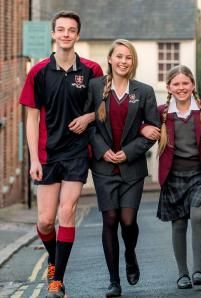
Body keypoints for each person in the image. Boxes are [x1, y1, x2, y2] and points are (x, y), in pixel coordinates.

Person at [19, 11, 103, 298]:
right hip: (47, 153)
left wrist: (89, 117)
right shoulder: (39, 72)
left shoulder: (92, 70)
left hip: (78, 152)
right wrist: (33, 159)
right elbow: (31, 118)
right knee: (44, 220)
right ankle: (54, 261)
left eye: (71, 30)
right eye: (61, 30)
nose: (66, 34)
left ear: (78, 35)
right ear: (53, 34)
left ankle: (58, 281)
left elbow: (103, 108)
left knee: (67, 211)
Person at [88, 39, 160, 297]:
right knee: (110, 219)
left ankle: (130, 254)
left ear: (133, 62)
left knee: (128, 221)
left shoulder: (144, 91)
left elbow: (153, 130)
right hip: (103, 166)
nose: (123, 61)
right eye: (119, 56)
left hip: (132, 168)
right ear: (110, 59)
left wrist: (127, 153)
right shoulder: (95, 87)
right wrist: (102, 150)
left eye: (128, 57)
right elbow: (90, 125)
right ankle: (113, 280)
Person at [141, 65, 201, 290]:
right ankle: (182, 273)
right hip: (173, 174)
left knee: (197, 215)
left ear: (193, 85)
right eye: (176, 84)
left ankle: (198, 270)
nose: (181, 87)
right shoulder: (161, 112)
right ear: (168, 87)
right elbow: (140, 126)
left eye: (185, 83)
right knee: (178, 223)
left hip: (200, 174)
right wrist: (143, 130)